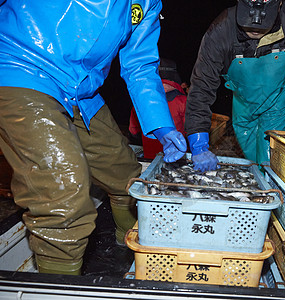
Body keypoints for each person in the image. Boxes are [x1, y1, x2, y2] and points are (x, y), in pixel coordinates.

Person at [0, 1, 187, 275]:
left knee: (128, 176)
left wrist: (162, 126)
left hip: (80, 91)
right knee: (63, 195)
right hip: (20, 69)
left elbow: (140, 66)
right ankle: (57, 287)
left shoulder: (147, 4)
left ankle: (128, 256)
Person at [185, 0, 285, 171]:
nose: (255, 28)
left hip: (279, 102)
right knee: (252, 157)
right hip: (243, 104)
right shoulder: (221, 30)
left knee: (270, 162)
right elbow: (202, 86)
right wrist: (198, 141)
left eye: (262, 26)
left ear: (279, 5)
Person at [129, 58, 187, 159]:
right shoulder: (183, 101)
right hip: (176, 157)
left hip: (150, 156)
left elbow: (133, 131)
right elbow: (190, 130)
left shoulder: (142, 101)